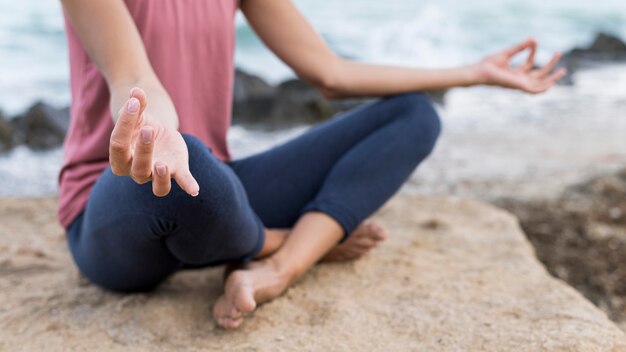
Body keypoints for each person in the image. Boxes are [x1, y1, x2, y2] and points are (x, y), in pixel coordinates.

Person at [59, 0, 566, 329]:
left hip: (216, 196)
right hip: (120, 206)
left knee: (413, 114)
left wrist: (473, 73)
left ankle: (280, 266)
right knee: (191, 175)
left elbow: (331, 72)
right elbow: (132, 75)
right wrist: (160, 133)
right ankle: (299, 238)